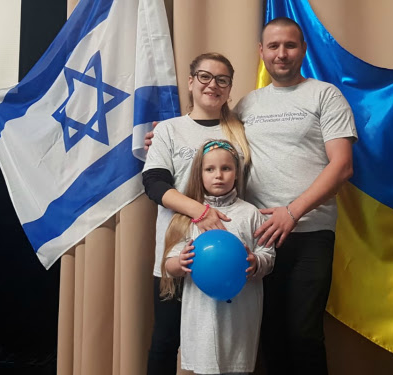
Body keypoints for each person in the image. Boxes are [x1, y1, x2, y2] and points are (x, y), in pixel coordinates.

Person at [144, 17, 356, 374]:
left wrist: (292, 211)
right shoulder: (245, 108)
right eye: (273, 46)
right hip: (226, 237)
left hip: (298, 231)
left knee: (302, 335)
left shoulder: (321, 95)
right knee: (260, 336)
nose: (281, 53)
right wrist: (163, 136)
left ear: (303, 49)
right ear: (261, 52)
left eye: (290, 45)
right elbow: (187, 150)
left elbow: (343, 166)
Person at [142, 53, 250, 375]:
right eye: (204, 76)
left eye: (222, 79)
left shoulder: (241, 134)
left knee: (227, 345)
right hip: (178, 251)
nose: (212, 85)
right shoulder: (169, 130)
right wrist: (200, 212)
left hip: (228, 257)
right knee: (165, 341)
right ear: (190, 82)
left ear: (230, 88)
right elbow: (154, 184)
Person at [162, 139, 275, 375]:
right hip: (201, 315)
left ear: (236, 174)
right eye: (210, 169)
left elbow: (268, 255)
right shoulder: (189, 215)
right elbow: (169, 264)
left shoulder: (250, 213)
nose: (218, 175)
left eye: (226, 168)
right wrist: (180, 263)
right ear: (199, 173)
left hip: (240, 317)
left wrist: (256, 261)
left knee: (237, 367)